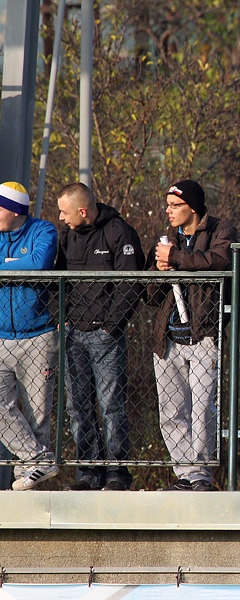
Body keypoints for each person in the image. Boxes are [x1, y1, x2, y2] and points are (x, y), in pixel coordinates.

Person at [146, 179, 237, 491]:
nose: (169, 211)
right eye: (168, 206)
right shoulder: (167, 239)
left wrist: (175, 259)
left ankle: (202, 473)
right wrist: (159, 271)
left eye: (176, 206)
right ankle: (187, 473)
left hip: (203, 334)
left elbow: (217, 261)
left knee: (201, 409)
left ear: (193, 208)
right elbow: (150, 294)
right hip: (168, 338)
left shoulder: (220, 230)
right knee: (170, 411)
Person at [56, 182, 145, 491]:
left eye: (65, 212)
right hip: (73, 334)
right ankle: (88, 474)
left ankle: (118, 474)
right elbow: (57, 279)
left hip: (105, 336)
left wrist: (111, 326)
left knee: (111, 406)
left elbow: (131, 282)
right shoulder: (67, 235)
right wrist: (62, 319)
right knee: (78, 408)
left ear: (83, 210)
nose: (61, 218)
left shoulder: (118, 231)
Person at [0, 182, 59, 490]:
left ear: (14, 210)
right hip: (1, 336)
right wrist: (13, 266)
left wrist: (7, 265)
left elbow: (38, 263)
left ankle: (31, 476)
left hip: (38, 336)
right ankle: (37, 459)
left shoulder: (43, 231)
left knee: (38, 415)